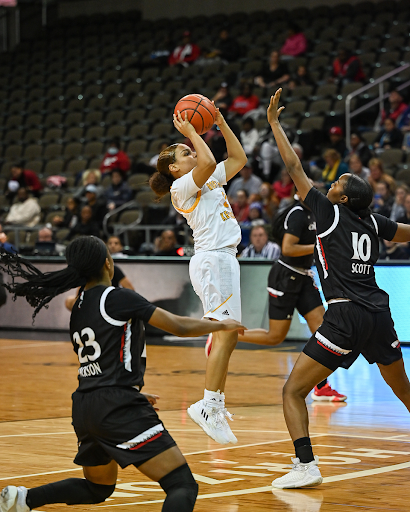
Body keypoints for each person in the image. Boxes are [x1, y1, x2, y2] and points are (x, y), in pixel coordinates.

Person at [0, 236, 244, 512]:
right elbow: (178, 326)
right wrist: (221, 325)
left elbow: (95, 360)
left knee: (98, 488)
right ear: (107, 262)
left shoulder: (78, 307)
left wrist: (126, 386)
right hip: (115, 405)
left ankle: (22, 499)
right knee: (182, 484)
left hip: (85, 405)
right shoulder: (117, 297)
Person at [266, 88, 410, 489]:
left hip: (345, 314)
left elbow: (293, 165)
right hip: (380, 315)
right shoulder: (373, 221)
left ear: (342, 198)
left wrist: (275, 125)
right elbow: (407, 233)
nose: (330, 182)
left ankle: (305, 466)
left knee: (293, 391)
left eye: (337, 182)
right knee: (404, 392)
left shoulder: (329, 212)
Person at [149, 105, 247, 445]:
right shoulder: (180, 189)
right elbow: (205, 163)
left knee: (228, 335)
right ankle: (209, 405)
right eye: (185, 152)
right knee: (227, 331)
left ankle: (210, 404)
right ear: (175, 168)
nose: (192, 151)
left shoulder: (208, 177)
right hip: (213, 260)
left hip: (224, 260)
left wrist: (220, 123)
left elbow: (238, 159)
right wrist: (192, 132)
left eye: (191, 148)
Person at [235, 190, 346, 402]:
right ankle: (227, 335)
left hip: (303, 277)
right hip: (285, 277)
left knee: (323, 330)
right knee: (275, 336)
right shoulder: (297, 213)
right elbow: (288, 248)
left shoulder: (313, 213)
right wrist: (317, 247)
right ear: (298, 193)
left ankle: (321, 386)